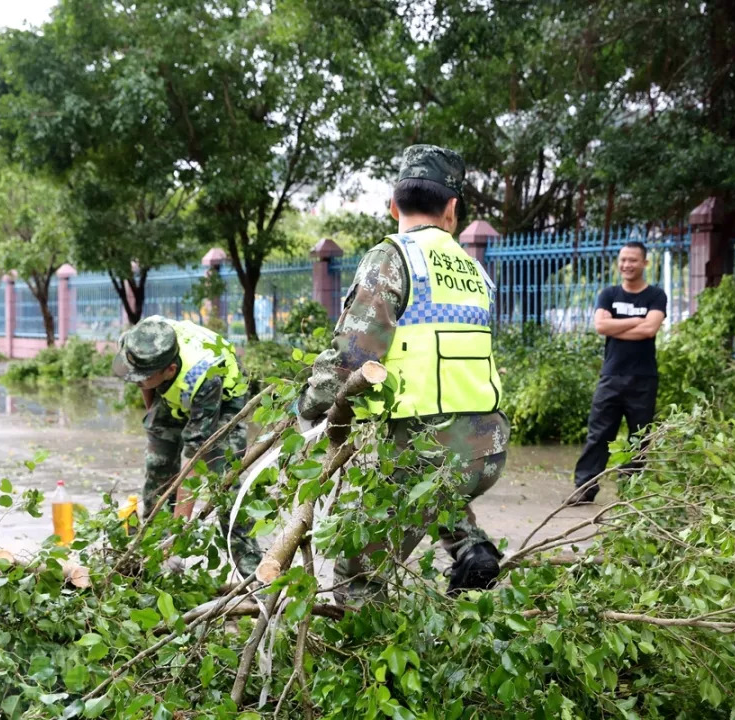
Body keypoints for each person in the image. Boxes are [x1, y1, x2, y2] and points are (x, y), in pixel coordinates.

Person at [298, 144, 510, 602]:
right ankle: (472, 551)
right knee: (436, 494)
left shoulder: (395, 257)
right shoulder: (474, 270)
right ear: (452, 208)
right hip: (487, 445)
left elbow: (351, 354)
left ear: (393, 205)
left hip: (426, 443)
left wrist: (308, 407)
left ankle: (370, 668)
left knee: (355, 574)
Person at [112, 315, 261, 575]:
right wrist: (155, 420)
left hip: (224, 399)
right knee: (157, 466)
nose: (136, 382)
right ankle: (153, 553)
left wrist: (178, 535)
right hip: (177, 387)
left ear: (169, 369)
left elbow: (194, 460)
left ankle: (254, 576)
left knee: (224, 484)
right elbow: (140, 380)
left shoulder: (205, 376)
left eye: (143, 378)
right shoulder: (138, 341)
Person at [569, 241, 667, 504]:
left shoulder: (656, 296)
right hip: (611, 376)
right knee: (598, 433)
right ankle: (585, 488)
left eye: (633, 260)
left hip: (643, 378)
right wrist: (637, 320)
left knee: (639, 435)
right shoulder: (609, 294)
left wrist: (619, 326)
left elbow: (650, 330)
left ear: (645, 263)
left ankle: (630, 490)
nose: (627, 265)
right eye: (623, 260)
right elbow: (601, 326)